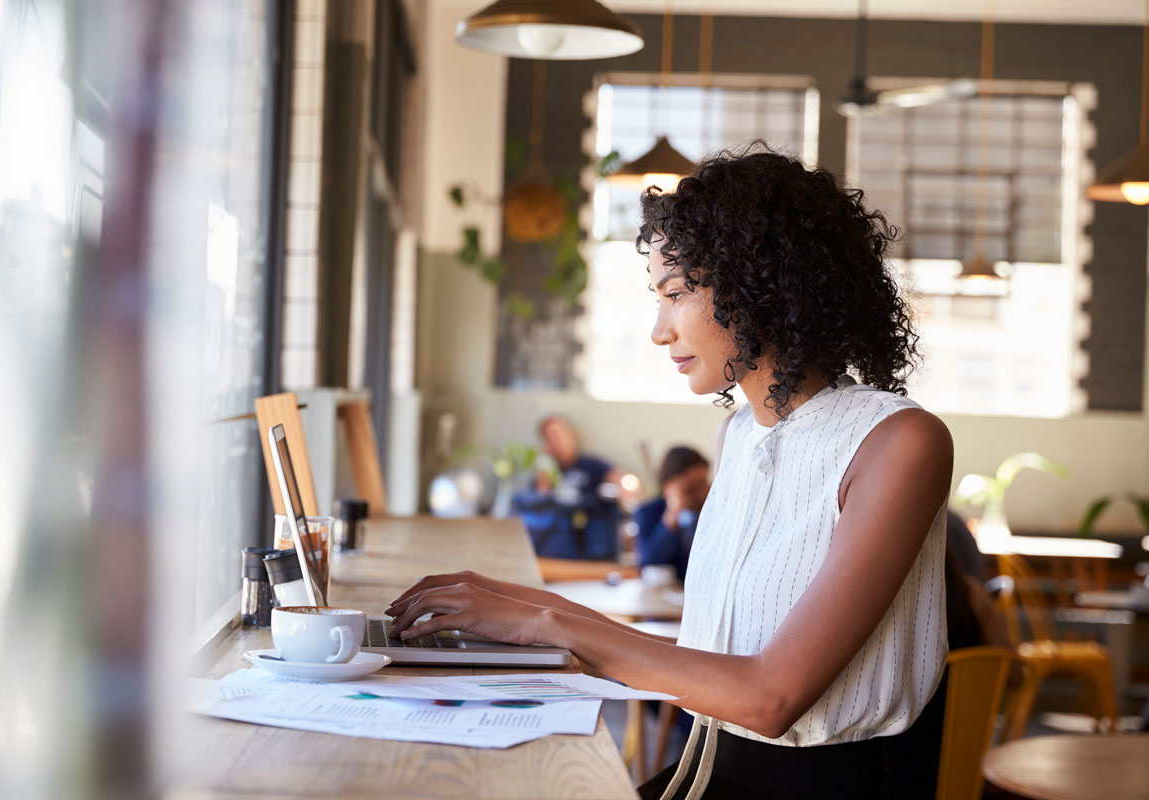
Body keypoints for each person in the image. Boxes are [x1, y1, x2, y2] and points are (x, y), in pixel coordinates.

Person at [386, 145, 952, 799]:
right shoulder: (739, 433)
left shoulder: (899, 442)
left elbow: (770, 696)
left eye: (677, 293)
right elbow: (706, 659)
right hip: (703, 778)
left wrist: (547, 623)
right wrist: (510, 599)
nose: (660, 330)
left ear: (764, 285)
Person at [513, 415, 627, 560]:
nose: (557, 441)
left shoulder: (592, 465)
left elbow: (620, 483)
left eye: (560, 434)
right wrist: (544, 470)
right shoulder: (546, 470)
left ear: (571, 435)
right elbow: (540, 505)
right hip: (556, 548)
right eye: (550, 437)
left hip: (592, 543)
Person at [634, 446, 711, 581]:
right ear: (670, 487)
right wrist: (674, 515)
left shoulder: (711, 513)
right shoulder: (648, 512)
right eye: (694, 488)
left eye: (705, 485)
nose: (704, 493)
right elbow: (649, 562)